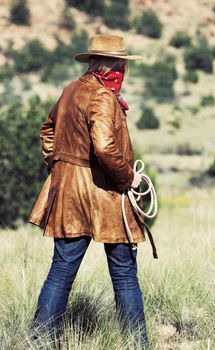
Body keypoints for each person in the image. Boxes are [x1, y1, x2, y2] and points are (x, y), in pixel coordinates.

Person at [28, 34, 149, 348]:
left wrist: (60, 167)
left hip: (68, 192)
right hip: (105, 193)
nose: (124, 70)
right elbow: (105, 147)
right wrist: (128, 179)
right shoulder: (103, 96)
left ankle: (39, 341)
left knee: (62, 268)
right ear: (114, 65)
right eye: (122, 64)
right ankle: (138, 344)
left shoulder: (71, 90)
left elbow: (47, 131)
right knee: (124, 272)